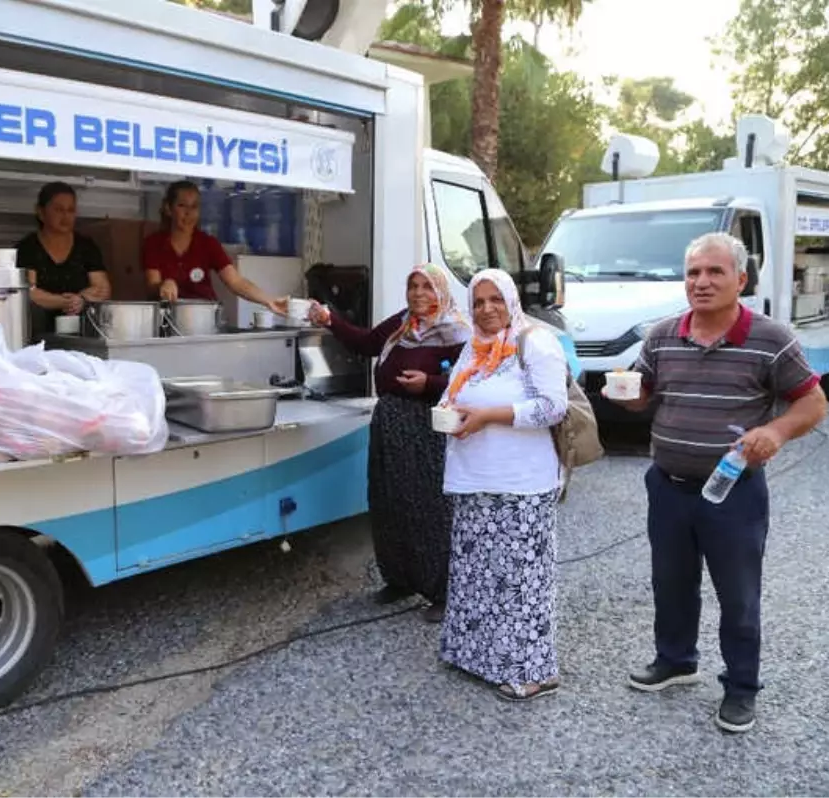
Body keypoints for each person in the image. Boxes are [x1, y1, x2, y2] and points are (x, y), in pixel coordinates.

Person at [605, 232, 827, 734]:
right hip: (668, 484)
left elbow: (812, 403)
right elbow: (645, 396)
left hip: (734, 492)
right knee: (671, 581)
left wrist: (773, 431)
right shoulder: (662, 335)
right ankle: (676, 661)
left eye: (714, 272)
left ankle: (742, 687)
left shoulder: (771, 339)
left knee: (739, 594)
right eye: (693, 273)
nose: (701, 282)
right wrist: (627, 395)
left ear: (740, 280)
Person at [308, 264, 468, 622]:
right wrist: (329, 319)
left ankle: (443, 591)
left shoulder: (458, 330)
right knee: (388, 502)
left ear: (440, 291)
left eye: (427, 286)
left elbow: (465, 383)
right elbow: (365, 343)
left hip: (427, 428)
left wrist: (428, 382)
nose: (418, 293)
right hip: (390, 422)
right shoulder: (402, 323)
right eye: (413, 286)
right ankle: (400, 579)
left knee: (431, 510)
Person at [436, 268, 569, 700]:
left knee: (520, 580)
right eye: (478, 302)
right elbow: (453, 395)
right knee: (478, 574)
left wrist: (490, 416)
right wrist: (448, 413)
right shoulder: (473, 349)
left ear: (510, 301)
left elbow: (552, 408)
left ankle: (534, 671)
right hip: (475, 478)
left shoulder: (535, 343)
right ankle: (477, 657)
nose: (487, 309)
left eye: (496, 300)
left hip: (521, 484)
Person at [143, 180, 286, 314]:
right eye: (182, 206)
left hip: (205, 317)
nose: (189, 213)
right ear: (168, 209)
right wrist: (164, 284)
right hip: (168, 318)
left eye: (194, 207)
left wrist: (269, 301)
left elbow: (236, 281)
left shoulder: (208, 243)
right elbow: (152, 284)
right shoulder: (153, 243)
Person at [16, 182, 111, 340]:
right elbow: (29, 292)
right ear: (41, 212)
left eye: (71, 210)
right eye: (59, 210)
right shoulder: (28, 248)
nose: (66, 216)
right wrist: (64, 302)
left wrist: (82, 300)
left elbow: (102, 288)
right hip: (39, 333)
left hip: (81, 330)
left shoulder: (86, 246)